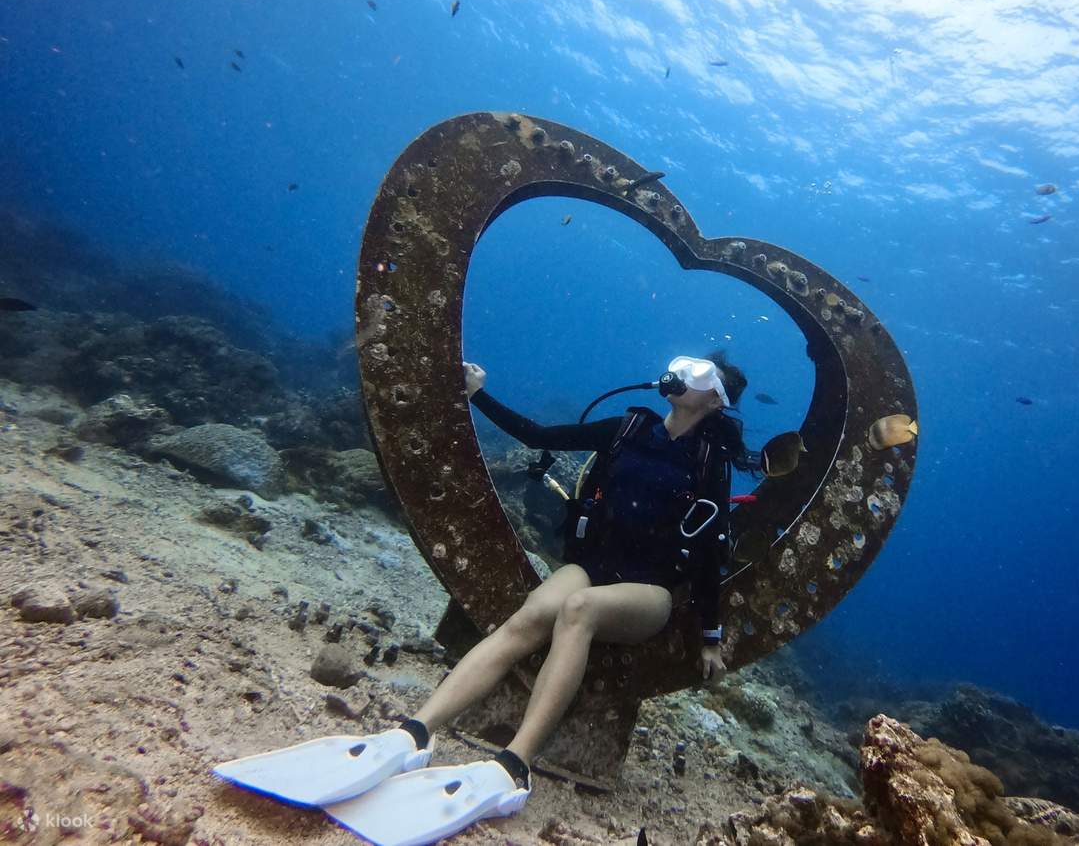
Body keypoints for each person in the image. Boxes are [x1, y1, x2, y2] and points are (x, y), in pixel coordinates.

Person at [214, 352, 752, 846]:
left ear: (712, 400)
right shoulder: (630, 426)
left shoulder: (711, 464)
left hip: (649, 591)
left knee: (577, 611)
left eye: (702, 373)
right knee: (531, 615)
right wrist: (478, 395)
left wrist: (710, 636)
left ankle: (514, 765)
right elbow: (540, 433)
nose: (685, 372)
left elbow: (709, 554)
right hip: (592, 567)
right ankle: (415, 732)